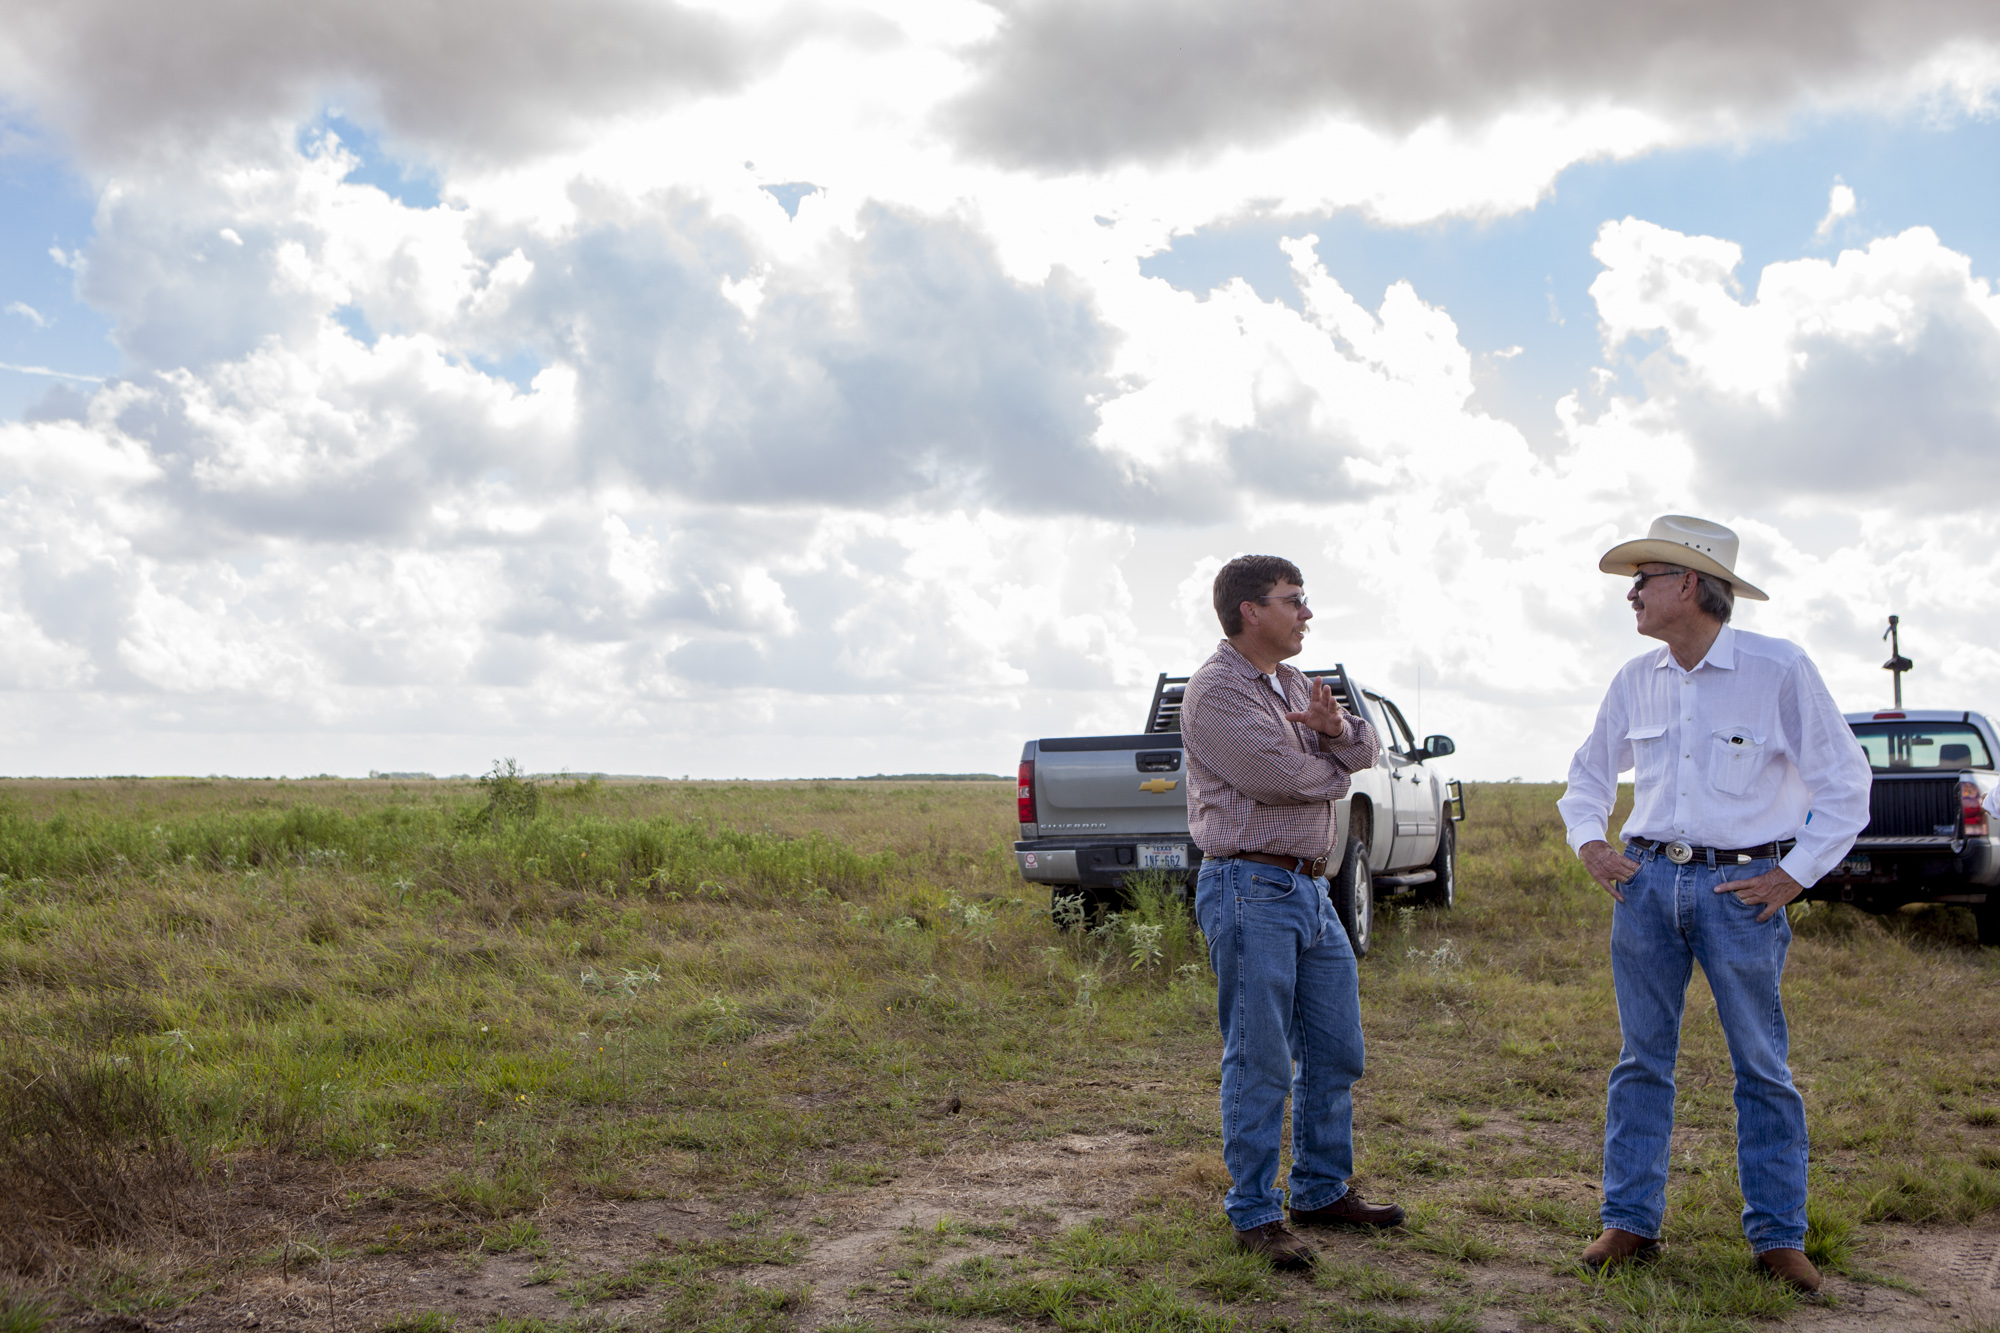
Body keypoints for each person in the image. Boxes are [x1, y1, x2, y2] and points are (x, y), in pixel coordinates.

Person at [1558, 515, 1870, 1292]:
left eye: (1645, 578)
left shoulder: (1778, 667)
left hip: (1742, 892)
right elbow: (1589, 774)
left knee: (1761, 1063)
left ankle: (1778, 1236)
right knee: (1641, 1059)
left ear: (1690, 584)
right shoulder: (1636, 677)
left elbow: (1845, 783)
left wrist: (1794, 874)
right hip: (1646, 885)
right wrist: (1591, 841)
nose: (1631, 593)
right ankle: (1629, 1221)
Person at [1180, 554, 1405, 1271]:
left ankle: (1319, 1188)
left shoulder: (1293, 683)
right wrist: (1335, 764)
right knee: (1261, 1056)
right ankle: (1254, 1210)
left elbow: (1367, 748)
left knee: (1336, 1048)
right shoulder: (1218, 691)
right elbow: (1278, 777)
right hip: (1249, 886)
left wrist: (1334, 734)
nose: (1306, 613)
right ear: (1251, 610)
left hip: (1311, 888)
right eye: (1293, 599)